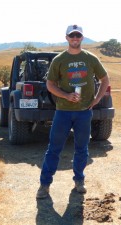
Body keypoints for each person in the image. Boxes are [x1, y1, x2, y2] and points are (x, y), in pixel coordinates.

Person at [36, 24, 109, 199]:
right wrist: (66, 96)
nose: (75, 38)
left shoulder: (91, 59)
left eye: (78, 36)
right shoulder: (59, 60)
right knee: (54, 149)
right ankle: (44, 185)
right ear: (67, 38)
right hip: (63, 112)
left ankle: (79, 181)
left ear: (82, 37)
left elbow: (105, 79)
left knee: (82, 149)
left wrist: (97, 100)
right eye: (72, 36)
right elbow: (50, 84)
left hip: (84, 112)